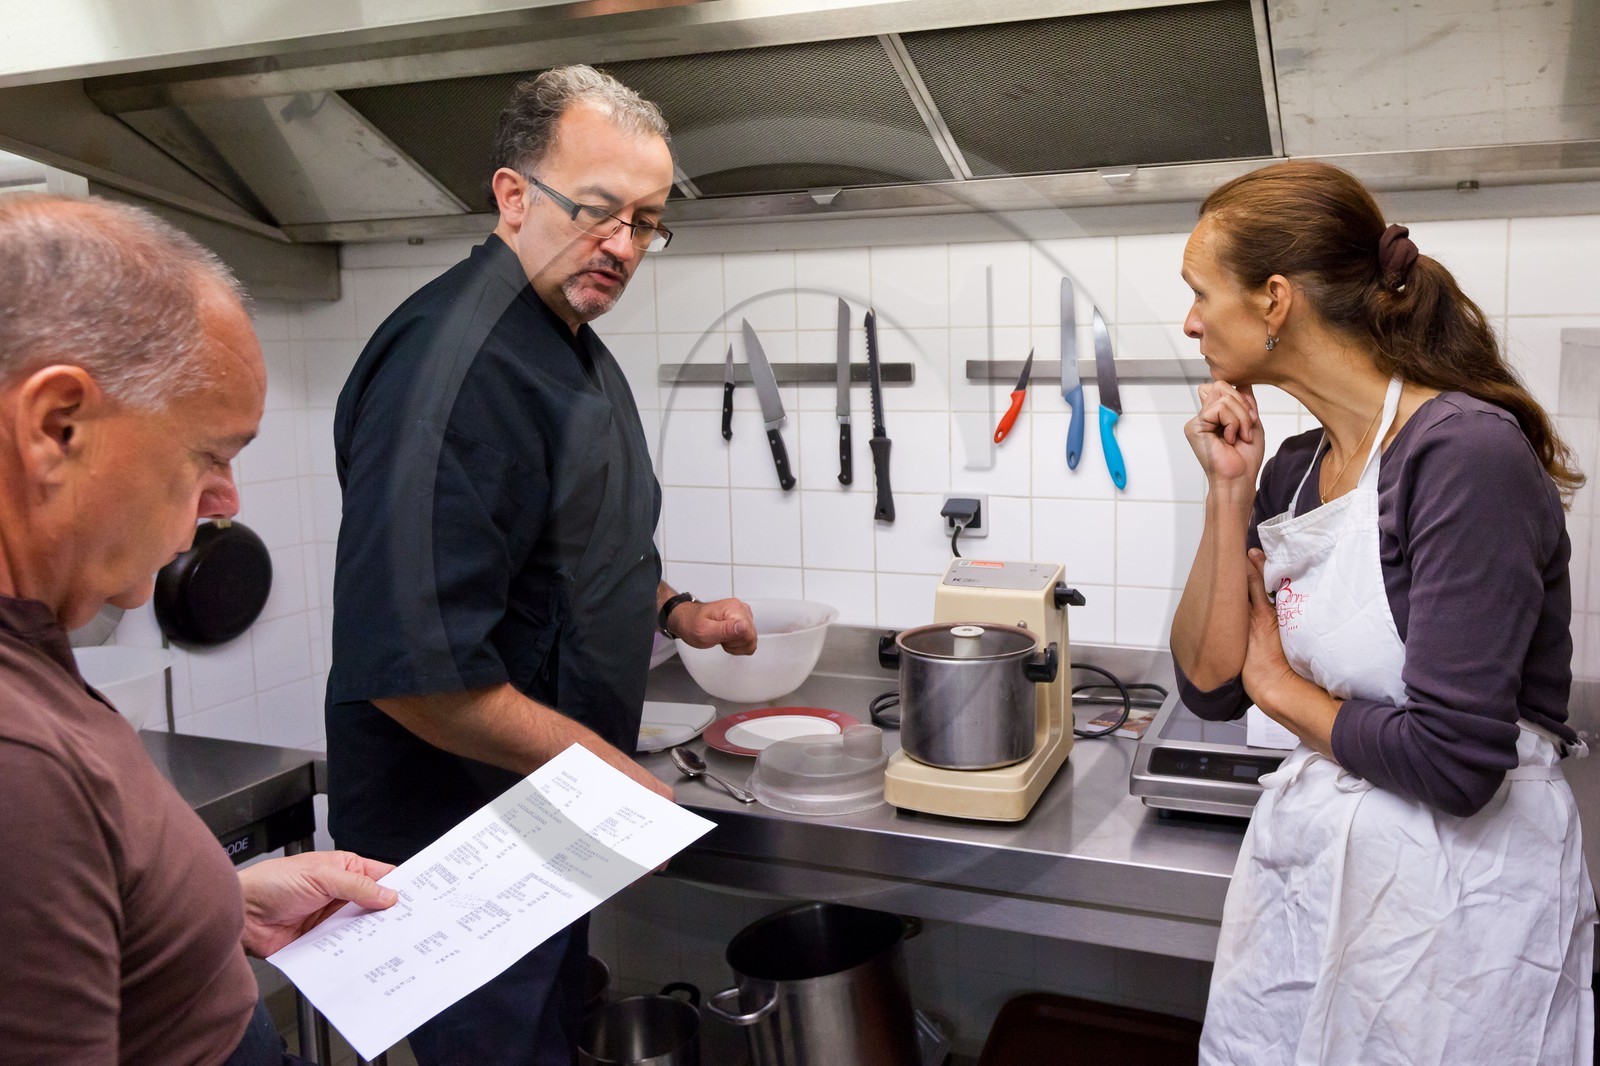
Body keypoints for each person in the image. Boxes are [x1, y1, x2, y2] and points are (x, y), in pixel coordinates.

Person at [325, 65, 756, 1065]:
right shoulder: (451, 366)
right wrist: (615, 780)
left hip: (540, 823)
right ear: (513, 196)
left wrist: (674, 611)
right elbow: (418, 673)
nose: (621, 246)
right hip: (462, 850)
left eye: (645, 223)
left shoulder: (560, 338)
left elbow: (553, 553)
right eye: (597, 211)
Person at [1169, 159, 1595, 1064]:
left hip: (1456, 914)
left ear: (1275, 299)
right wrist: (1225, 492)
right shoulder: (1289, 468)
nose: (1191, 321)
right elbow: (1208, 684)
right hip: (1319, 891)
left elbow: (1455, 763)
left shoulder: (1463, 457)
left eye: (1202, 293)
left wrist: (1280, 690)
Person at [0, 193, 398, 1064]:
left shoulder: (32, 651)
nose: (227, 502)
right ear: (54, 427)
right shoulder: (13, 761)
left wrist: (222, 902)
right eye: (211, 453)